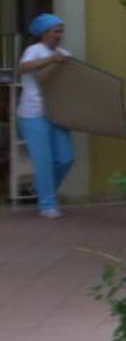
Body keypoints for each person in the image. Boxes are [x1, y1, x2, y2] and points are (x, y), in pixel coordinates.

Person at [15, 13, 74, 219]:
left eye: (61, 31)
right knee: (44, 161)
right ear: (44, 33)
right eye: (56, 31)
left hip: (58, 113)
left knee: (66, 158)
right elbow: (22, 68)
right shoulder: (34, 50)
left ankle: (40, 189)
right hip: (33, 114)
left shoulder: (64, 53)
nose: (60, 35)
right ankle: (47, 204)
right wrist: (51, 59)